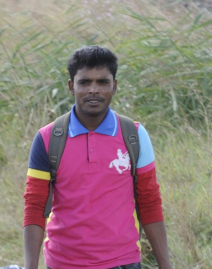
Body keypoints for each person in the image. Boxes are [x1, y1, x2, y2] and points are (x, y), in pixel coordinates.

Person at [23, 46, 172, 269]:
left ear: (114, 86)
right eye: (85, 82)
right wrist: (30, 266)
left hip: (124, 262)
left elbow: (149, 201)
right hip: (63, 263)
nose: (94, 90)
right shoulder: (47, 138)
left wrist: (166, 266)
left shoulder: (135, 135)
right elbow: (34, 206)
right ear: (71, 87)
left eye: (102, 82)